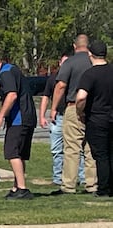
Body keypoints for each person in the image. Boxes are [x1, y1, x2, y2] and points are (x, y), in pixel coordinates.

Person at [0, 51, 35, 199]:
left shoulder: (6, 73)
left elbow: (12, 95)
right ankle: (17, 187)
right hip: (26, 116)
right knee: (20, 153)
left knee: (12, 152)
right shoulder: (12, 69)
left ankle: (22, 188)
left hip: (19, 118)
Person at [51, 34, 98, 194]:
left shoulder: (70, 62)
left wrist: (54, 108)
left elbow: (61, 86)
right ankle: (92, 183)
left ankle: (68, 185)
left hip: (73, 106)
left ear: (74, 46)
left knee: (71, 147)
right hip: (94, 108)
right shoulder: (95, 61)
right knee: (90, 148)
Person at [75, 40, 113, 197]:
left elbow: (81, 97)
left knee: (101, 155)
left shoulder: (90, 74)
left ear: (90, 54)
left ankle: (104, 189)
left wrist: (80, 111)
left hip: (97, 118)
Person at [39, 54, 69, 187]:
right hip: (57, 117)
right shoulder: (53, 78)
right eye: (64, 62)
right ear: (60, 63)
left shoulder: (75, 78)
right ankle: (57, 177)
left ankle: (82, 177)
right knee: (57, 150)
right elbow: (46, 97)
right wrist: (42, 116)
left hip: (72, 116)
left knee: (77, 149)